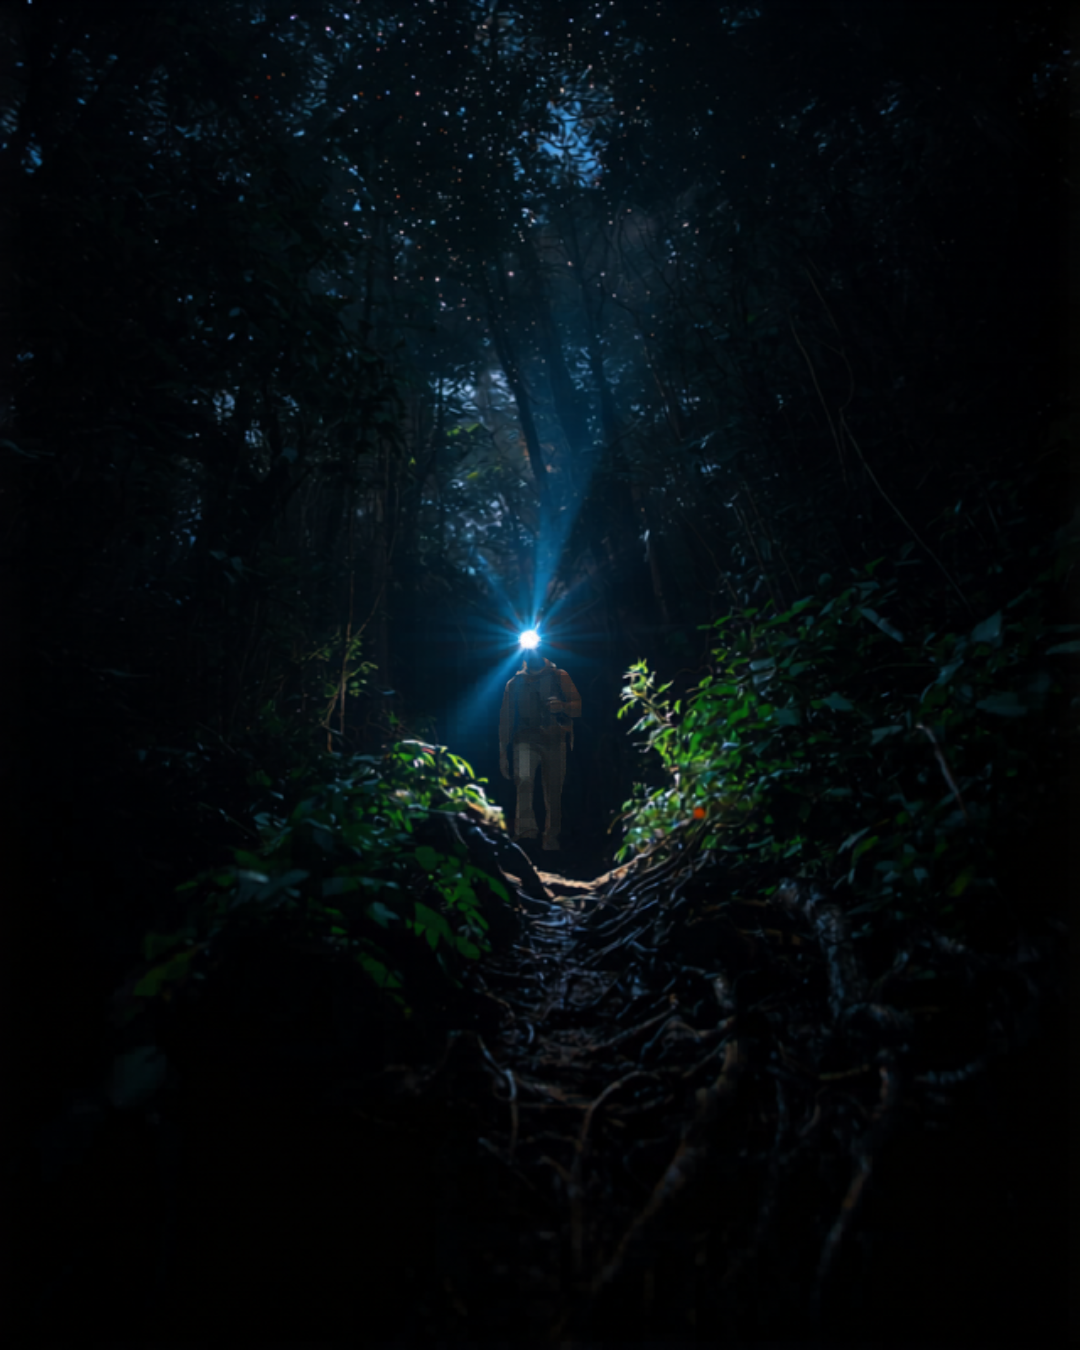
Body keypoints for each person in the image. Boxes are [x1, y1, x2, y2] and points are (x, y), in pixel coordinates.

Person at [499, 648, 581, 851]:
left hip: (555, 738)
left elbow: (578, 707)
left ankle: (552, 837)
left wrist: (562, 706)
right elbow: (506, 719)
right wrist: (503, 752)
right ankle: (526, 833)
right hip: (525, 739)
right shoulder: (514, 683)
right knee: (523, 779)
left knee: (554, 790)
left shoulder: (559, 676)